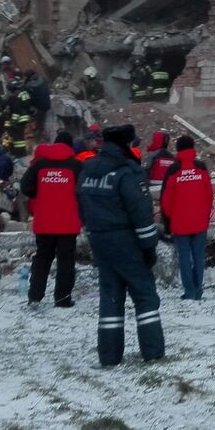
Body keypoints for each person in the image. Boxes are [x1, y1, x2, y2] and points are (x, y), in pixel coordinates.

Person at [78, 124, 164, 366]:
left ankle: (109, 355)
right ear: (127, 145)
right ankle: (153, 351)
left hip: (99, 239)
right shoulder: (128, 172)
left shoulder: (88, 170)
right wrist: (149, 247)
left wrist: (92, 231)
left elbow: (81, 207)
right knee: (145, 295)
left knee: (110, 296)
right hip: (126, 240)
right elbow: (141, 212)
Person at [20, 140, 84, 308]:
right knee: (66, 260)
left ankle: (35, 296)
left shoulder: (39, 164)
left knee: (42, 257)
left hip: (44, 220)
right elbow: (85, 189)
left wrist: (41, 192)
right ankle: (63, 299)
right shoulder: (76, 165)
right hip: (68, 221)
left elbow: (25, 187)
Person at [161, 136, 212, 301]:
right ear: (193, 148)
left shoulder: (173, 170)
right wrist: (204, 213)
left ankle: (189, 292)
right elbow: (209, 195)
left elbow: (165, 200)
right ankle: (198, 291)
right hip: (199, 221)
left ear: (178, 149)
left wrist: (171, 218)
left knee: (184, 257)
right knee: (198, 256)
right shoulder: (201, 167)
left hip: (180, 222)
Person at [5, 76, 35, 159]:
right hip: (26, 118)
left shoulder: (15, 96)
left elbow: (16, 110)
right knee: (21, 136)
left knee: (18, 138)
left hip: (19, 119)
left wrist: (12, 121)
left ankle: (20, 154)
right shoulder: (23, 92)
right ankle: (22, 152)